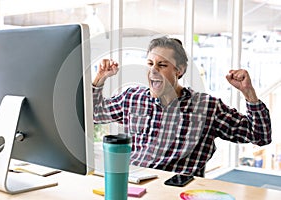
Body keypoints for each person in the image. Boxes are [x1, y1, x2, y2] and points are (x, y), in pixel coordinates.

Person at [92, 36, 272, 177]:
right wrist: (100, 78)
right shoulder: (132, 97)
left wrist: (248, 93)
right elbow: (94, 114)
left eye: (162, 65)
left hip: (177, 190)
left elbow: (259, 136)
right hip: (134, 184)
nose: (153, 70)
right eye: (150, 64)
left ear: (179, 70)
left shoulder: (206, 107)